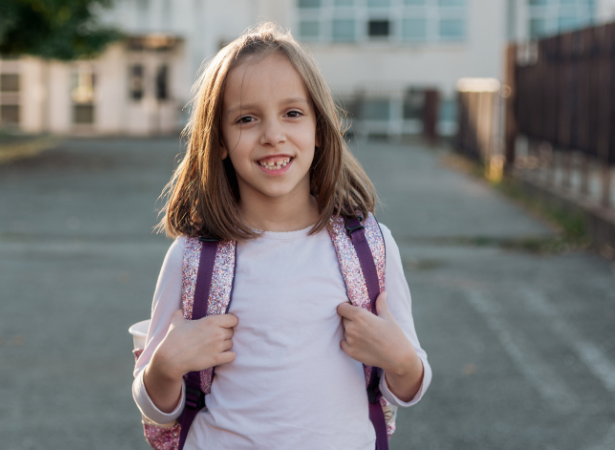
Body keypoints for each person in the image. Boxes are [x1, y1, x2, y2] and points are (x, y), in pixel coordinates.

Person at [132, 23, 431, 449]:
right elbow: (155, 406)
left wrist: (400, 360)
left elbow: (407, 385)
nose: (273, 134)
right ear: (218, 140)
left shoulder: (370, 246)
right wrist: (163, 368)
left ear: (320, 130)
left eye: (292, 113)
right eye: (246, 118)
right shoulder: (193, 258)